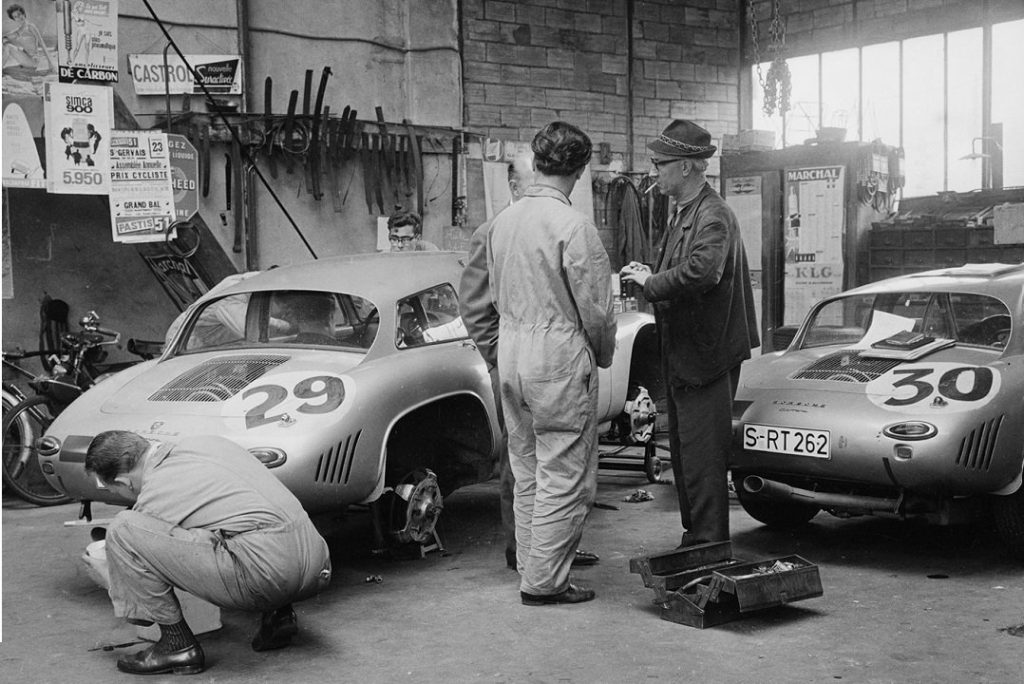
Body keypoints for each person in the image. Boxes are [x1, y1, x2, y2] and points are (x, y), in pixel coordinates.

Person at [487, 121, 616, 606]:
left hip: (511, 349)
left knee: (525, 468)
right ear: (579, 172)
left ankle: (530, 565)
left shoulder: (505, 220)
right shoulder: (573, 227)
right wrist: (600, 355)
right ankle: (544, 582)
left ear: (536, 163)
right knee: (563, 469)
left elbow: (497, 292)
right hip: (557, 355)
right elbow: (597, 311)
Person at [85, 430, 332, 675]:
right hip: (318, 563)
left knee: (123, 530)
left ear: (123, 482)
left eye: (113, 490)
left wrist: (113, 572)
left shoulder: (156, 491)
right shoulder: (206, 442)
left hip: (266, 580)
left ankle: (177, 646)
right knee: (233, 520)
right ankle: (280, 614)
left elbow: (141, 599)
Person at [620, 119, 759, 549]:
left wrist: (650, 284)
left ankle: (710, 546)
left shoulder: (714, 214)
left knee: (703, 458)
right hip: (686, 354)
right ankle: (695, 538)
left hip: (707, 357)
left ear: (686, 167)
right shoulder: (684, 212)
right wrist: (652, 272)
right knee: (684, 454)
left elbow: (703, 271)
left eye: (661, 164)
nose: (655, 172)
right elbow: (684, 264)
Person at [459, 151, 600, 571]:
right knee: (527, 467)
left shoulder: (547, 223)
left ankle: (549, 553)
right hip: (523, 362)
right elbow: (474, 304)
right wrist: (498, 357)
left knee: (547, 466)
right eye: (529, 178)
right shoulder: (495, 230)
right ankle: (528, 557)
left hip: (538, 359)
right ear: (515, 185)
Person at [2, 4, 53, 72]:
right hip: (26, 58)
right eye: (15, 17)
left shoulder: (31, 27)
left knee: (8, 47)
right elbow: (6, 36)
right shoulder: (18, 30)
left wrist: (50, 63)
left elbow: (42, 44)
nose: (19, 17)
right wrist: (4, 38)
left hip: (33, 61)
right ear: (14, 19)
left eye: (19, 14)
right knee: (6, 45)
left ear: (23, 13)